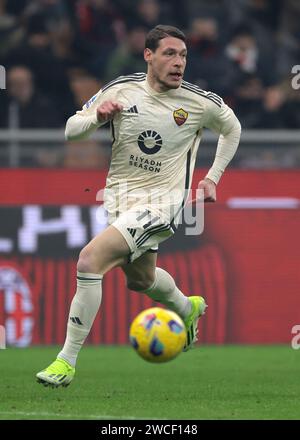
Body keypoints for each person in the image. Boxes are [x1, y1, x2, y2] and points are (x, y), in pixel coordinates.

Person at [36, 24, 241, 388]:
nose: (179, 63)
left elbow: (232, 128)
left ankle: (65, 362)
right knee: (140, 280)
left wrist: (212, 177)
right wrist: (98, 118)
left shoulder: (198, 102)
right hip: (119, 198)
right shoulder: (121, 90)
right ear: (148, 55)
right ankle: (185, 307)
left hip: (163, 203)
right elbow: (71, 130)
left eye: (183, 56)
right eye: (169, 54)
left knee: (89, 261)